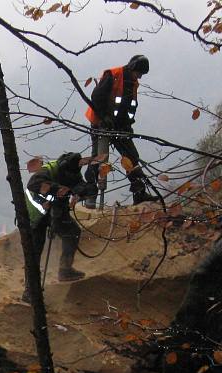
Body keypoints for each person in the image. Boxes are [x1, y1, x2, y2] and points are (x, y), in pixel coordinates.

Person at [22, 152, 97, 302]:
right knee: (35, 251)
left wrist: (81, 190)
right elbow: (33, 184)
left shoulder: (72, 171)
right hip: (35, 214)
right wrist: (59, 189)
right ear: (63, 167)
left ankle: (65, 269)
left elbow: (80, 184)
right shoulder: (47, 171)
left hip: (55, 210)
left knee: (72, 232)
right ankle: (30, 290)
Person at [84, 54, 158, 206]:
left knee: (131, 157)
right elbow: (96, 97)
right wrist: (104, 117)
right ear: (133, 67)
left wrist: (128, 126)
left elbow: (127, 108)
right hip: (101, 125)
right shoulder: (113, 75)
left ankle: (139, 194)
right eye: (139, 73)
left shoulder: (133, 83)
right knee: (98, 160)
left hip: (119, 127)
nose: (140, 77)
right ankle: (90, 198)